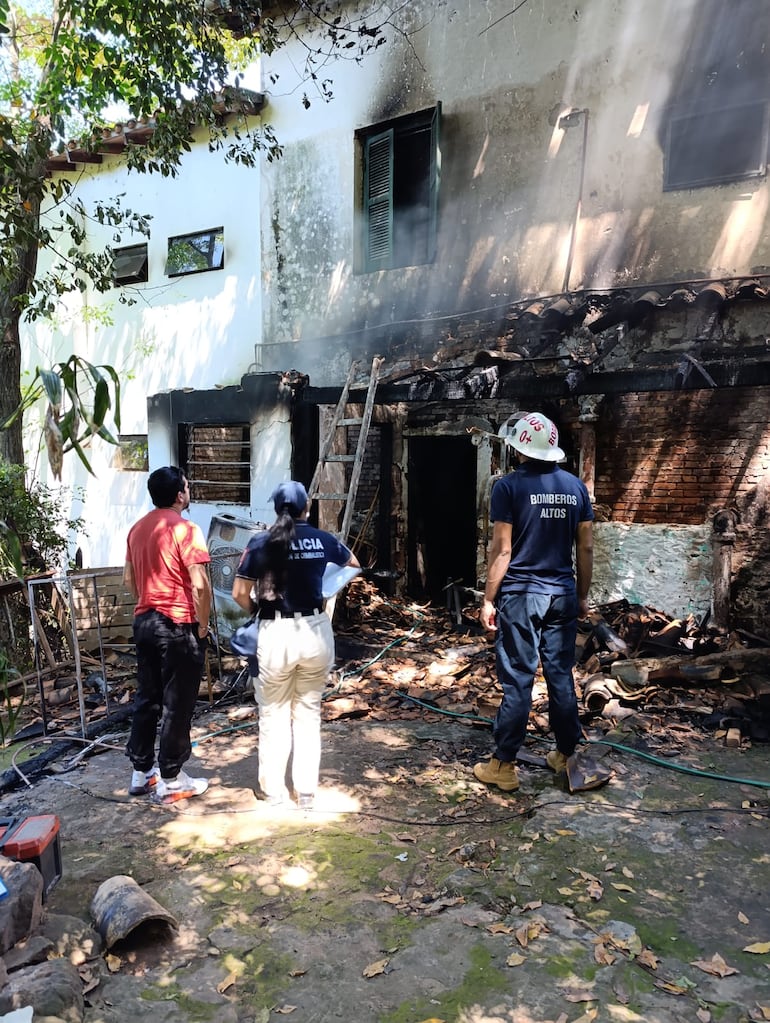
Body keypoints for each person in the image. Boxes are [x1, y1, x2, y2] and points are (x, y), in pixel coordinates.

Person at [474, 412, 593, 793]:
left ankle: (503, 765)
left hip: (522, 596)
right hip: (562, 594)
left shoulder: (507, 487)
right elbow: (586, 547)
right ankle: (565, 753)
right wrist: (583, 596)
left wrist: (488, 599)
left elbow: (502, 549)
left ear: (518, 447)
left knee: (519, 679)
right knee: (560, 675)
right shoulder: (576, 488)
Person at [231, 481, 360, 810]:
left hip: (275, 633)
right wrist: (324, 590)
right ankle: (305, 793)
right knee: (307, 714)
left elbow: (238, 594)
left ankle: (274, 792)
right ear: (306, 509)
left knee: (273, 716)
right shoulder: (323, 540)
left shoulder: (260, 543)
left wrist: (258, 613)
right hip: (315, 631)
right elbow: (354, 565)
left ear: (277, 509)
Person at [123, 466, 212, 803]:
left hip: (145, 621)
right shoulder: (187, 529)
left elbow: (130, 580)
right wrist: (201, 627)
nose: (188, 492)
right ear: (180, 494)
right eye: (187, 487)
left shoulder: (136, 529)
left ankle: (142, 773)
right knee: (178, 703)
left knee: (148, 698)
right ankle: (172, 779)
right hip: (177, 624)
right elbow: (200, 585)